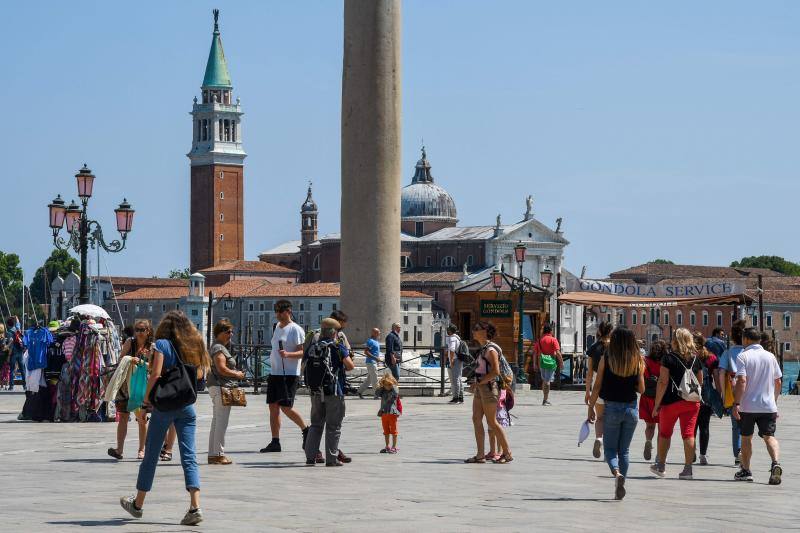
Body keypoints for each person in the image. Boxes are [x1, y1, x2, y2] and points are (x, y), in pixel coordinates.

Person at [120, 310, 211, 526]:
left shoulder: (161, 344)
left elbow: (156, 374)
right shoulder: (193, 344)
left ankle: (138, 504)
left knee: (151, 454)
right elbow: (199, 375)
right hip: (187, 406)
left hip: (165, 405)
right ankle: (195, 506)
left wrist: (145, 401)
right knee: (189, 455)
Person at [588, 327, 644, 500]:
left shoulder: (607, 358)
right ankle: (622, 481)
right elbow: (642, 389)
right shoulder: (637, 360)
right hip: (631, 408)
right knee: (624, 451)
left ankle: (617, 473)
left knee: (610, 449)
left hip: (611, 407)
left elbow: (597, 385)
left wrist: (591, 406)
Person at [650, 328, 703, 480]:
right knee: (688, 434)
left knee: (665, 433)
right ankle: (688, 469)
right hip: (692, 402)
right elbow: (700, 381)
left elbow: (662, 382)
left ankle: (661, 466)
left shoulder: (668, 358)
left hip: (671, 402)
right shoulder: (695, 358)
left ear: (675, 340)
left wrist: (656, 404)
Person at [732, 327, 783, 484]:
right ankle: (775, 463)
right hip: (768, 406)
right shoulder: (770, 357)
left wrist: (736, 403)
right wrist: (774, 402)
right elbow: (778, 381)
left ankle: (746, 471)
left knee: (746, 438)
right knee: (769, 436)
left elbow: (742, 381)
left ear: (746, 339)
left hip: (748, 406)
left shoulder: (743, 356)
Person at [303, 318, 354, 466]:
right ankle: (331, 459)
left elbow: (304, 364)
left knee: (316, 424)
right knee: (333, 426)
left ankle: (310, 457)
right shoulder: (337, 347)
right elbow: (350, 366)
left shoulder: (313, 346)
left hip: (315, 391)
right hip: (333, 390)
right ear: (334, 333)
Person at [260, 300, 309, 454]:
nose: (278, 314)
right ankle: (275, 441)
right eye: (276, 311)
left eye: (281, 311)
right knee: (273, 407)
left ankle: (306, 430)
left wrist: (288, 354)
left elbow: (303, 352)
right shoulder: (277, 328)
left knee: (286, 408)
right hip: (275, 374)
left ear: (288, 311)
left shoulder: (296, 329)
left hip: (289, 374)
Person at [464, 321, 512, 464]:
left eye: (476, 329)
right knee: (476, 419)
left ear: (484, 332)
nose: (473, 331)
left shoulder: (491, 349)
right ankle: (480, 455)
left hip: (490, 388)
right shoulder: (483, 348)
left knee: (492, 421)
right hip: (481, 387)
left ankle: (507, 453)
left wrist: (480, 382)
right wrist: (477, 383)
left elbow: (496, 372)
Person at [108, 319, 154, 461]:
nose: (139, 333)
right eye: (137, 330)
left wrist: (141, 361)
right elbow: (121, 359)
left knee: (142, 418)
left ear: (148, 331)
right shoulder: (130, 343)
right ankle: (119, 449)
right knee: (123, 417)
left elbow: (153, 367)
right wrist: (129, 358)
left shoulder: (152, 347)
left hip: (141, 385)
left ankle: (142, 450)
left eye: (142, 330)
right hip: (126, 386)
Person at [207, 319, 245, 465]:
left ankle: (213, 454)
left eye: (231, 331)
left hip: (216, 386)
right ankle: (218, 454)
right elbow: (221, 368)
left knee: (216, 421)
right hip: (221, 386)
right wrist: (237, 374)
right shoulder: (218, 348)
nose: (231, 334)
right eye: (227, 331)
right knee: (221, 422)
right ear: (219, 333)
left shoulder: (220, 347)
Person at [717, 319, 746, 465]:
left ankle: (738, 453)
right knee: (748, 425)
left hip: (734, 392)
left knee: (736, 426)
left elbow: (721, 372)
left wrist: (723, 393)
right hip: (750, 391)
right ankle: (745, 453)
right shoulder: (749, 352)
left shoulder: (727, 353)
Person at [584, 321, 612, 459]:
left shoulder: (594, 347)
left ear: (599, 332)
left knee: (600, 417)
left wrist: (587, 392)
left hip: (597, 382)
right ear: (611, 332)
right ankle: (609, 451)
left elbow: (589, 373)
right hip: (612, 383)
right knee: (612, 419)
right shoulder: (614, 347)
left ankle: (599, 439)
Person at [693, 332, 719, 466]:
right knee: (704, 425)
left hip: (691, 394)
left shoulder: (689, 357)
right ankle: (703, 455)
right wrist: (720, 393)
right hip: (707, 394)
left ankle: (691, 451)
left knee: (691, 425)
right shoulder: (712, 358)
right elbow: (716, 377)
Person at [640, 340, 667, 461]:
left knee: (650, 426)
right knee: (662, 429)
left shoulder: (645, 361)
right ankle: (659, 455)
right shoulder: (665, 362)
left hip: (647, 396)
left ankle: (648, 440)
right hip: (661, 398)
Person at [533, 325, 563, 406]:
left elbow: (535, 353)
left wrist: (534, 364)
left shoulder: (539, 340)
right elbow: (558, 352)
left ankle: (545, 398)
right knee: (547, 381)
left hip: (541, 362)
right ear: (551, 331)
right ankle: (545, 400)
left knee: (544, 380)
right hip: (550, 362)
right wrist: (561, 362)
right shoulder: (553, 340)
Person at [375, 372, 401, 453]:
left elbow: (396, 392)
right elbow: (377, 393)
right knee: (386, 431)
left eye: (390, 384)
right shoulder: (383, 392)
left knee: (394, 430)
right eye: (386, 384)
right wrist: (382, 385)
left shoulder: (394, 391)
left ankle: (394, 447)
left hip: (392, 413)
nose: (388, 386)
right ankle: (387, 446)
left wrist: (393, 385)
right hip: (384, 413)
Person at [357, 328, 383, 398]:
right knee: (375, 379)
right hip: (371, 362)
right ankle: (377, 394)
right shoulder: (370, 341)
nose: (379, 333)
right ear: (373, 333)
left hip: (373, 362)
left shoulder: (376, 341)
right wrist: (375, 358)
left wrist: (376, 359)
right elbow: (366, 352)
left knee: (369, 379)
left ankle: (359, 391)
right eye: (378, 332)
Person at [445, 325, 465, 403]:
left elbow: (452, 350)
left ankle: (456, 398)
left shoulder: (452, 338)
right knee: (458, 378)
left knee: (455, 379)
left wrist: (451, 360)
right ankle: (460, 397)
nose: (447, 331)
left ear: (450, 331)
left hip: (455, 360)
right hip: (458, 360)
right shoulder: (457, 338)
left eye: (448, 329)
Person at [5, 317, 25, 391]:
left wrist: (9, 355)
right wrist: (14, 317)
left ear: (8, 325)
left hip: (13, 353)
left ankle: (11, 386)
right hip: (20, 352)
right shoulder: (18, 329)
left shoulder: (9, 332)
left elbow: (11, 344)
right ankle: (25, 386)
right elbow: (17, 320)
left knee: (12, 370)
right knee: (22, 370)